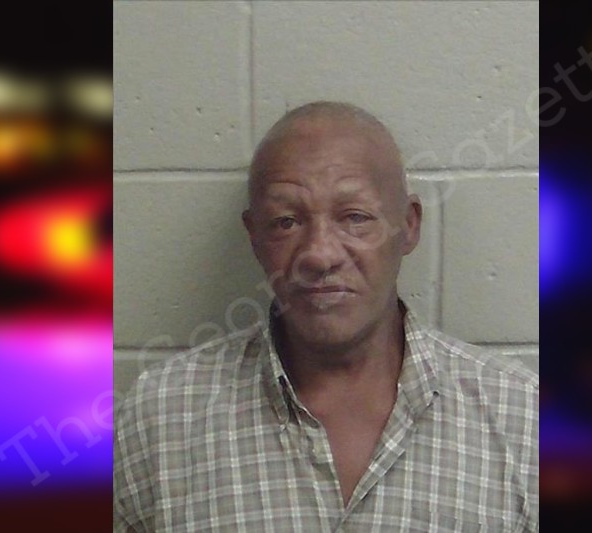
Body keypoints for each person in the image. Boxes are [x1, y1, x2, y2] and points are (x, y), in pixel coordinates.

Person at [114, 102, 538, 532]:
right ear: (254, 235)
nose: (319, 254)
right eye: (286, 222)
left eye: (355, 218)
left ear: (409, 225)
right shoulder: (162, 417)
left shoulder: (523, 419)